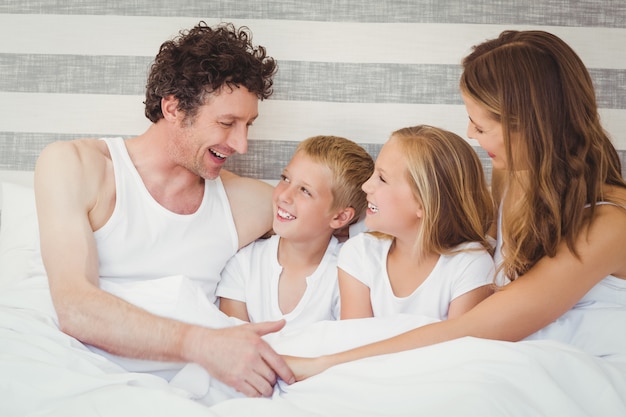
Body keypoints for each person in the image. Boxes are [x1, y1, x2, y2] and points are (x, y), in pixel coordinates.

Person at [284, 30, 626, 381]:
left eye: (480, 125)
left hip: (584, 369)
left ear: (530, 128)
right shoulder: (515, 171)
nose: (470, 133)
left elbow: (475, 327)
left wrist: (324, 366)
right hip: (511, 356)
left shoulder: (608, 224)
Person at [32, 21, 294, 397]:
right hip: (86, 378)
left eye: (248, 125)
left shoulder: (246, 203)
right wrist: (206, 345)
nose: (241, 144)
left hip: (189, 390)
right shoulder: (77, 166)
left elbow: (333, 219)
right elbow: (75, 307)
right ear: (172, 107)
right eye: (227, 123)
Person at [338, 125, 495, 321]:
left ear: (424, 203)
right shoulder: (359, 253)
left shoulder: (470, 265)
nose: (366, 186)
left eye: (382, 179)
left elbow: (458, 346)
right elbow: (352, 341)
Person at [217, 135, 374, 331]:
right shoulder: (244, 264)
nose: (284, 195)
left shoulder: (347, 275)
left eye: (305, 191)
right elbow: (234, 345)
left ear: (340, 217)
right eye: (285, 179)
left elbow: (348, 346)